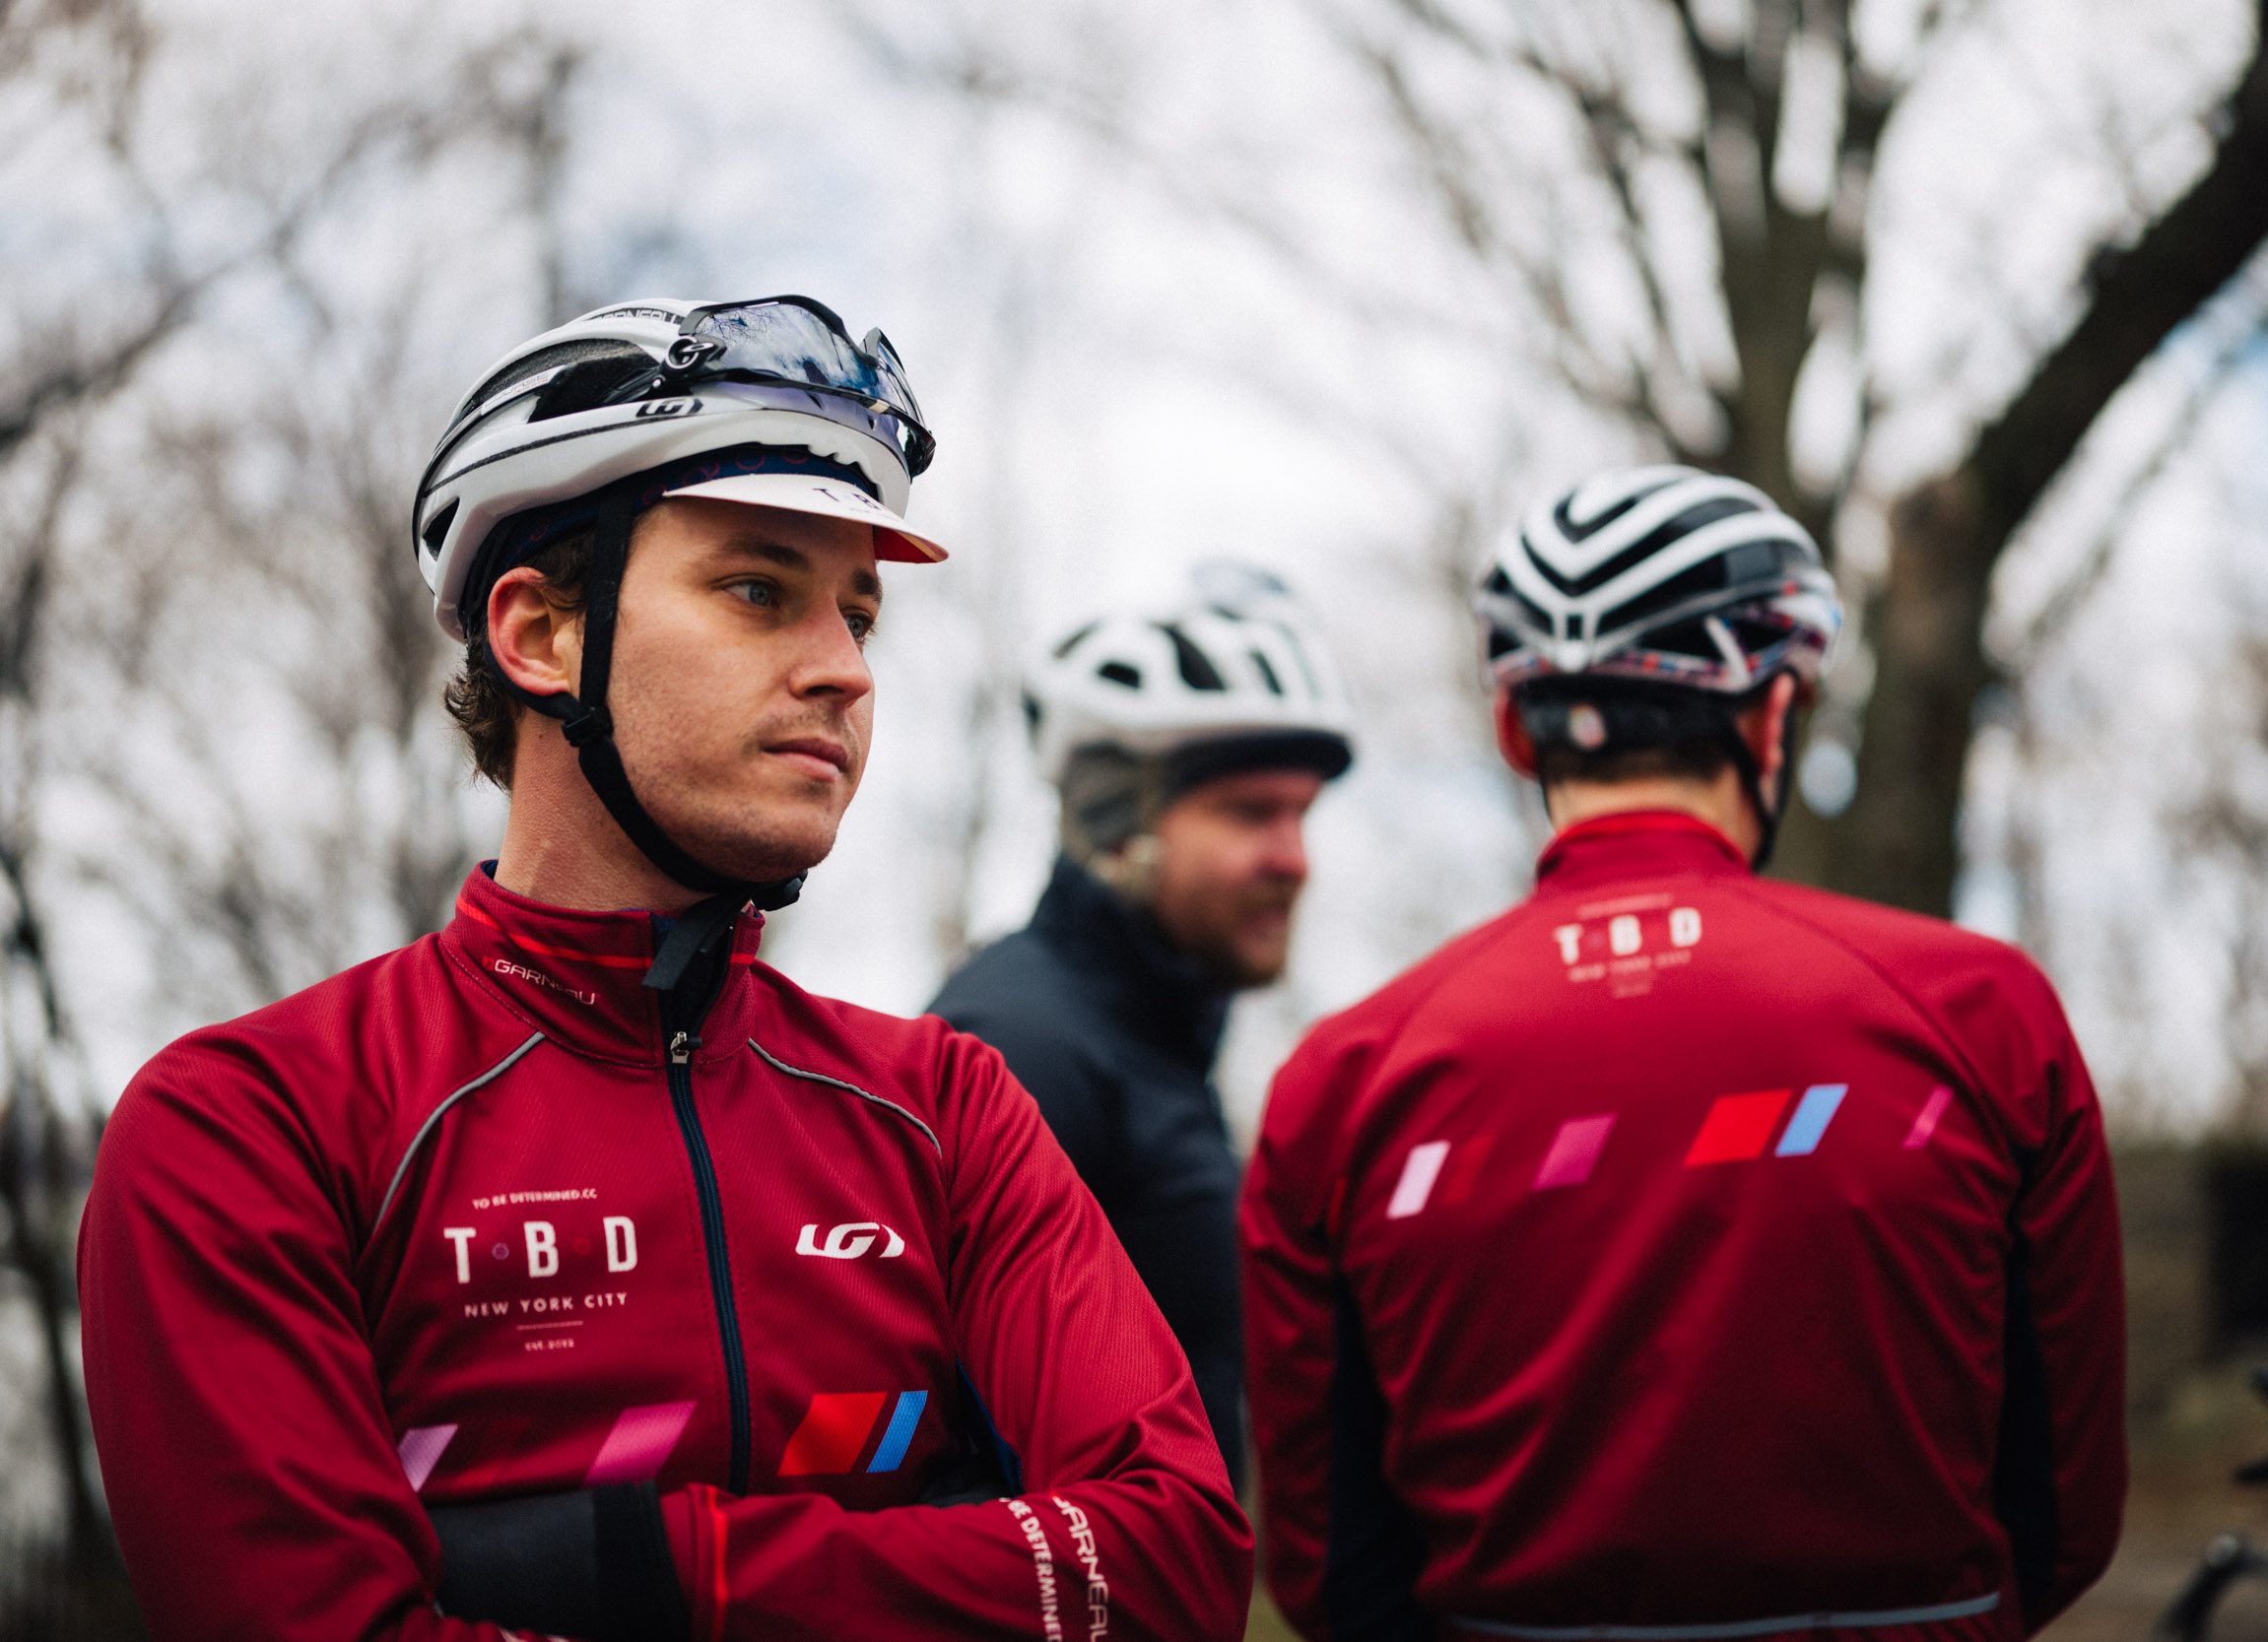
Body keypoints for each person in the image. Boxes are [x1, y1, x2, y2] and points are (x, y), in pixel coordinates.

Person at [77, 296, 1249, 1642]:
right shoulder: (248, 1122)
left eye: (860, 617)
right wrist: (932, 1568)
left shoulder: (945, 1106)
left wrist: (646, 1558)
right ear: (539, 634)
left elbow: (1175, 1563)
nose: (845, 672)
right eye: (760, 590)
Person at [1241, 466, 2127, 1641]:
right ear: (1771, 715)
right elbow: (2064, 1509)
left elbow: (1320, 1563)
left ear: (1514, 731)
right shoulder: (1980, 1012)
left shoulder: (1341, 1077)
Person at [930, 564, 1354, 1489]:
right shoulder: (1018, 1045)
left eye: (1302, 815)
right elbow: (956, 1457)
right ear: (1117, 821)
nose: (1295, 859)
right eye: (1251, 813)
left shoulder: (1156, 1033)